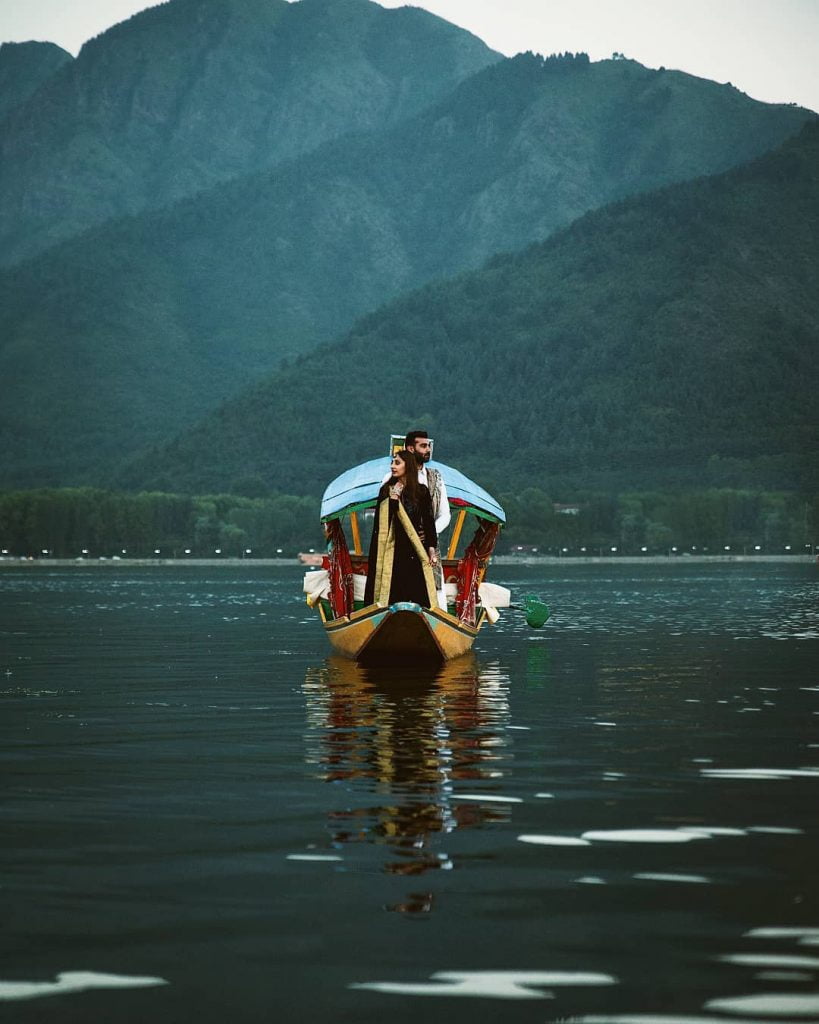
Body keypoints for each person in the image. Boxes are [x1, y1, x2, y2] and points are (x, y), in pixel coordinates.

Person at [365, 449, 438, 609]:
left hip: (416, 547)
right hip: (393, 548)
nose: (392, 466)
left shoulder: (421, 491)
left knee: (418, 589)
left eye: (397, 463)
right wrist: (393, 500)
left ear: (408, 466)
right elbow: (381, 522)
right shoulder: (386, 490)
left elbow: (428, 521)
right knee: (393, 588)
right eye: (392, 462)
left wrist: (431, 549)